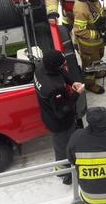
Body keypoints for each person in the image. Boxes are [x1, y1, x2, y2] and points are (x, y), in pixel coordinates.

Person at [33, 49, 85, 185]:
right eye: (63, 64)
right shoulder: (53, 88)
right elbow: (62, 112)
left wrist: (72, 82)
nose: (65, 65)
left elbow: (60, 72)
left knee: (63, 145)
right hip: (60, 124)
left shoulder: (41, 67)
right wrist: (76, 94)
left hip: (48, 114)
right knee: (63, 148)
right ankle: (65, 173)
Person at [73, 0, 106, 94]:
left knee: (98, 58)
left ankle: (96, 71)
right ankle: (90, 83)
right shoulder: (81, 9)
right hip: (88, 45)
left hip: (97, 42)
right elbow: (80, 31)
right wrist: (97, 34)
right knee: (89, 65)